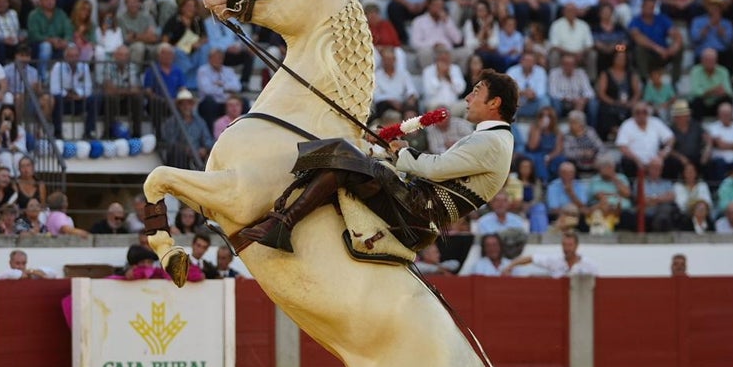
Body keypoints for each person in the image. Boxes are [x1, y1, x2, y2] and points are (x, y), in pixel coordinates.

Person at [232, 70, 518, 253]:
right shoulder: (494, 140)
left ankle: (284, 223)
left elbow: (437, 169)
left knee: (345, 156)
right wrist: (396, 152)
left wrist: (400, 153)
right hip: (420, 204)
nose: (468, 97)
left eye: (477, 91)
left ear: (494, 103)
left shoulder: (491, 142)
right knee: (354, 159)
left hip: (419, 210)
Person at [504, 230, 598, 276]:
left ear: (576, 246)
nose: (566, 248)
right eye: (564, 245)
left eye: (570, 245)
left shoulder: (589, 265)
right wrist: (511, 265)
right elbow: (531, 258)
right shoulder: (555, 260)